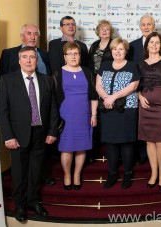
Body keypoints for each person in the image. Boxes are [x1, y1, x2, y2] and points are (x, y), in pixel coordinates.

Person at [0, 46, 59, 222]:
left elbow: (53, 108)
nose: (29, 60)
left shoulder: (47, 81)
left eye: (32, 57)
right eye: (25, 57)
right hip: (17, 136)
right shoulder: (7, 80)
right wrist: (8, 136)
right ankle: (20, 205)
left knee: (36, 171)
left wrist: (52, 131)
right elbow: (2, 111)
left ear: (37, 60)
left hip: (41, 133)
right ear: (19, 60)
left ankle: (33, 201)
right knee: (18, 173)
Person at [96, 38, 140, 189]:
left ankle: (127, 174)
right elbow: (98, 85)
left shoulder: (132, 66)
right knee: (110, 143)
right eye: (115, 49)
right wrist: (106, 98)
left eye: (121, 49)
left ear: (126, 51)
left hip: (126, 109)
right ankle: (112, 173)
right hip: (108, 109)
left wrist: (114, 97)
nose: (118, 52)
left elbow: (133, 86)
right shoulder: (105, 65)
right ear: (111, 51)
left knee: (126, 142)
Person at [53, 42, 98, 190]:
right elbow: (53, 98)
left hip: (84, 116)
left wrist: (93, 114)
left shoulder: (87, 72)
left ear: (80, 55)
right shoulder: (57, 73)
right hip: (65, 117)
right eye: (70, 54)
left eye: (76, 53)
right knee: (66, 148)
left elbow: (93, 96)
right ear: (64, 56)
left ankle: (77, 174)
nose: (73, 56)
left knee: (81, 147)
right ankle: (67, 175)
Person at [129, 14, 161, 165]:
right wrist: (139, 95)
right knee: (146, 139)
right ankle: (146, 162)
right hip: (144, 102)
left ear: (153, 26)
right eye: (143, 24)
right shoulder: (133, 46)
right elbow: (134, 77)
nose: (146, 26)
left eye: (149, 24)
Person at [137, 32, 161, 191]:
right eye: (151, 42)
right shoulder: (140, 64)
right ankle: (153, 173)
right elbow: (136, 86)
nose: (154, 45)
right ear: (147, 45)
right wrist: (139, 96)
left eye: (157, 42)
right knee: (149, 142)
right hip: (145, 108)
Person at [88, 20, 114, 163]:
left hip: (110, 84)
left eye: (107, 29)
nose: (104, 31)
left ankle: (110, 147)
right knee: (95, 114)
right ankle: (94, 149)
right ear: (98, 31)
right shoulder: (93, 45)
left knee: (108, 113)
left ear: (111, 31)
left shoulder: (115, 44)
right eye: (102, 29)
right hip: (94, 83)